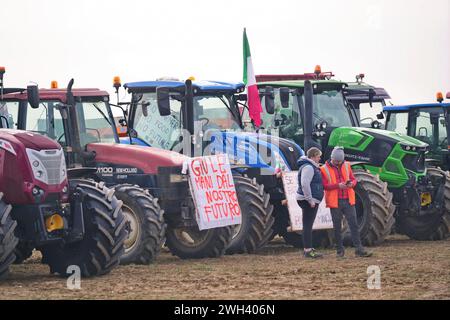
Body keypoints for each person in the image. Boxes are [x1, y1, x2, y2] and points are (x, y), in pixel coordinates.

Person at [321, 147, 373, 258]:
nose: (338, 163)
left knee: (353, 225)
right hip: (335, 201)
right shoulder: (324, 169)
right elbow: (324, 186)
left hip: (348, 200)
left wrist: (352, 184)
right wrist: (337, 186)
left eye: (340, 161)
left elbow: (353, 179)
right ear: (332, 158)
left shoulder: (347, 165)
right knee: (337, 227)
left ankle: (359, 249)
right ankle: (339, 250)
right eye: (336, 161)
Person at [296, 147, 325, 259]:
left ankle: (307, 249)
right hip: (307, 199)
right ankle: (308, 250)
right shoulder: (308, 167)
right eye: (318, 156)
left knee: (307, 225)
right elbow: (304, 183)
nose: (319, 158)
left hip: (306, 198)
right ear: (313, 156)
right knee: (308, 226)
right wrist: (310, 200)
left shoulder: (309, 166)